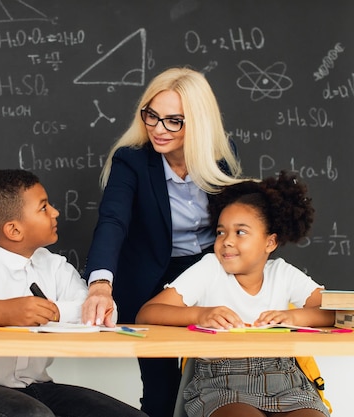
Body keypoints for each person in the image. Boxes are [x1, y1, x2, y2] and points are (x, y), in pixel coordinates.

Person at [0, 169, 148, 417]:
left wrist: (53, 312)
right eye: (44, 208)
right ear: (14, 230)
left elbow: (94, 310)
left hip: (34, 388)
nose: (55, 212)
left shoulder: (55, 266)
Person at [82, 67, 243, 416]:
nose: (158, 129)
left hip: (207, 272)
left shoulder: (222, 153)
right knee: (161, 389)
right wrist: (99, 285)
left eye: (174, 121)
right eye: (152, 116)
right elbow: (113, 221)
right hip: (149, 281)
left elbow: (235, 219)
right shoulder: (133, 160)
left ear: (198, 122)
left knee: (223, 380)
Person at [136, 171, 335, 417]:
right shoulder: (209, 269)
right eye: (221, 232)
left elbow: (338, 311)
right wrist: (200, 314)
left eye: (240, 232)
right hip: (221, 382)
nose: (227, 241)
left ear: (270, 243)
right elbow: (147, 314)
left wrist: (296, 318)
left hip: (286, 379)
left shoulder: (282, 274)